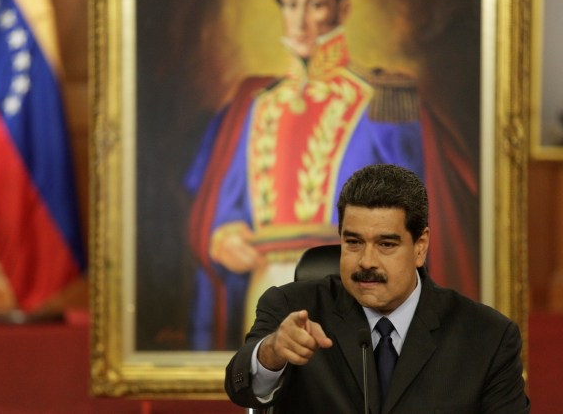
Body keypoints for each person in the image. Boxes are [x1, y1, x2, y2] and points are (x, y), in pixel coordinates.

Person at [185, 0, 423, 350]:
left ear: (341, 10)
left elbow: (410, 213)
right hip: (264, 288)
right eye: (290, 3)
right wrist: (225, 235)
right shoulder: (254, 105)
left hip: (351, 285)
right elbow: (225, 205)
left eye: (315, 4)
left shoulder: (379, 103)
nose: (299, 20)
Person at [224, 164, 530, 413]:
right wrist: (272, 352)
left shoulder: (487, 337)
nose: (366, 262)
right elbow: (242, 388)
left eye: (386, 244)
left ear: (420, 247)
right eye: (353, 242)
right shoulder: (292, 308)